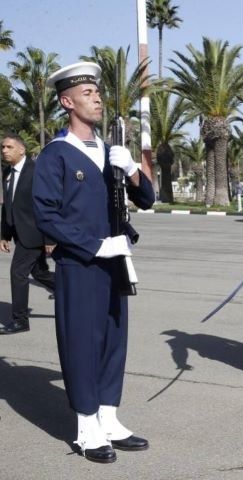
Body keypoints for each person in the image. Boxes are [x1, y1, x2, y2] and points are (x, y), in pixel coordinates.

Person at [33, 62, 155, 463]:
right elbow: (46, 215)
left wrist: (132, 169)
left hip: (115, 261)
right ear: (67, 102)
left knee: (114, 340)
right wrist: (93, 245)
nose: (97, 97)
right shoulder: (56, 155)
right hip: (81, 263)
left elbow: (148, 199)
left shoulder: (110, 152)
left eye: (98, 91)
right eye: (87, 93)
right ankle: (87, 427)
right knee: (82, 342)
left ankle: (110, 417)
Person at [1, 134, 56, 334]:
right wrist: (4, 234)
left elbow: (47, 204)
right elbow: (8, 205)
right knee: (39, 273)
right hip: (19, 232)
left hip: (35, 233)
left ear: (21, 150)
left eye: (9, 147)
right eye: (3, 147)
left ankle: (20, 321)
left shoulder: (36, 170)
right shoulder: (7, 172)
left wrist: (50, 238)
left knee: (18, 272)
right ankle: (72, 293)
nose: (4, 150)